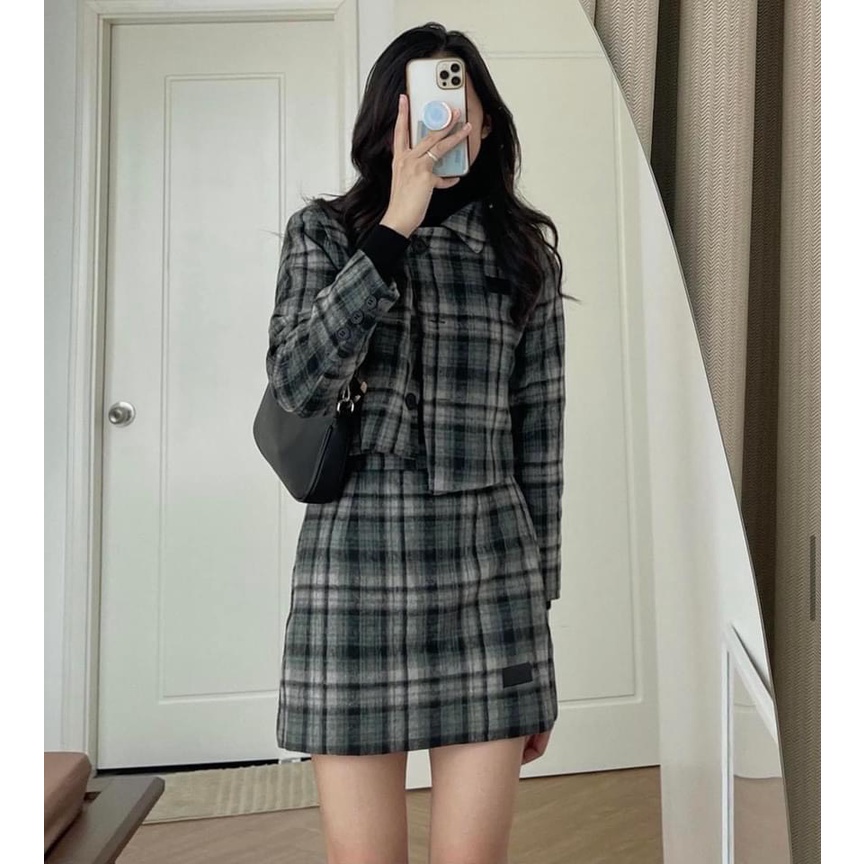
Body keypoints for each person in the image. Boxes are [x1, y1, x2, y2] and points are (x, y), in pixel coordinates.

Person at [266, 21, 569, 864]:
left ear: (485, 118)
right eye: (427, 98)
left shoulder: (524, 257)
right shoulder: (324, 235)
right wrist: (393, 230)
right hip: (355, 579)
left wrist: (539, 625)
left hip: (491, 585)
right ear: (390, 117)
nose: (446, 116)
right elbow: (299, 382)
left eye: (459, 96)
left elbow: (541, 446)